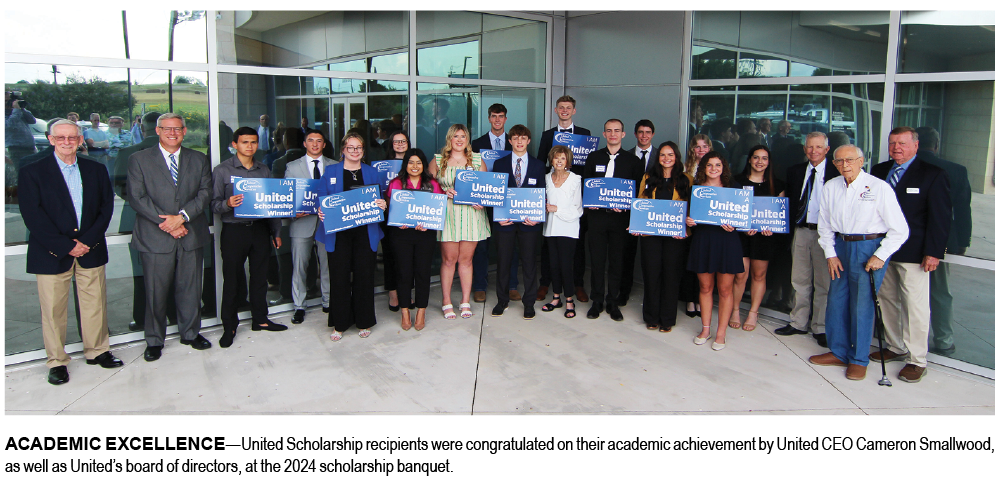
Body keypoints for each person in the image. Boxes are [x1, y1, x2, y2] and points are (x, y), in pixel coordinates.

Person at [19, 119, 121, 384]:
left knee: (95, 303)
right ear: (50, 139)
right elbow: (33, 216)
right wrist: (67, 245)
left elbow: (105, 209)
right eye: (60, 137)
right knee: (53, 310)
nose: (67, 142)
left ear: (80, 140)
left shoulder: (95, 169)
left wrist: (86, 241)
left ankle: (97, 351)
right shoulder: (33, 171)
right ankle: (56, 361)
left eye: (72, 137)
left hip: (91, 248)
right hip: (52, 252)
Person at [809, 145, 908, 380]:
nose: (845, 165)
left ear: (861, 161)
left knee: (862, 305)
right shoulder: (831, 186)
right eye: (840, 161)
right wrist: (830, 253)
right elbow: (824, 224)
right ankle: (839, 351)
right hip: (840, 247)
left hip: (868, 248)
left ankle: (859, 358)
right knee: (837, 300)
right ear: (834, 164)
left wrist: (881, 255)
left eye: (850, 160)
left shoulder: (878, 187)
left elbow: (900, 230)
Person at [126, 112, 214, 361]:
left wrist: (182, 217)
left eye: (177, 129)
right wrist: (168, 223)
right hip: (156, 236)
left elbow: (205, 193)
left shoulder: (198, 159)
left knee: (190, 288)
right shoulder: (139, 159)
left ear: (184, 131)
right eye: (167, 129)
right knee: (155, 291)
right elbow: (137, 197)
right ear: (157, 131)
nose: (172, 133)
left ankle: (191, 333)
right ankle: (154, 340)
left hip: (190, 234)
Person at [869, 127, 951, 383]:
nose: (897, 148)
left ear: (916, 145)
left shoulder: (932, 175)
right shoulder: (879, 171)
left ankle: (917, 359)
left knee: (915, 307)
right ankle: (895, 346)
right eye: (893, 143)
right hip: (882, 251)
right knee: (887, 300)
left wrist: (934, 253)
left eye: (902, 143)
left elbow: (940, 218)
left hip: (914, 253)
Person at [211, 126, 288, 349]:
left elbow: (270, 204)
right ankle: (230, 326)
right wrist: (228, 203)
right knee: (233, 280)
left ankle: (260, 320)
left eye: (253, 142)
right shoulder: (222, 171)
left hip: (260, 230)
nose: (250, 146)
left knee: (260, 278)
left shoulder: (263, 169)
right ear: (235, 145)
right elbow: (213, 204)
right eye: (245, 142)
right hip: (234, 231)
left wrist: (276, 231)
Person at [315, 132, 388, 340]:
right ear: (343, 150)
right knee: (339, 278)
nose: (355, 151)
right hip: (338, 234)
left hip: (365, 232)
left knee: (364, 277)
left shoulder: (371, 172)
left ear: (363, 151)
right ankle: (340, 323)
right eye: (351, 147)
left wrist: (382, 204)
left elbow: (378, 198)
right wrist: (321, 210)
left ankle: (364, 321)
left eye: (359, 148)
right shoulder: (331, 171)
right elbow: (322, 199)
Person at [774, 132, 838, 347]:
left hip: (825, 234)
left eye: (818, 147)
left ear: (827, 150)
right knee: (799, 280)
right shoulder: (795, 171)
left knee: (823, 283)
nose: (813, 151)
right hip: (801, 231)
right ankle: (798, 322)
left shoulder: (836, 172)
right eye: (810, 147)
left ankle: (820, 327)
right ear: (804, 149)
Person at [582, 119, 644, 321]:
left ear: (623, 134)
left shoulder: (633, 161)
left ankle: (613, 302)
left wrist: (627, 206)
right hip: (597, 218)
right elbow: (586, 185)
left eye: (617, 131)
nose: (613, 134)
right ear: (604, 134)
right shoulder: (593, 157)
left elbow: (637, 194)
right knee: (597, 262)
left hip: (620, 220)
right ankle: (597, 301)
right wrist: (589, 202)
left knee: (617, 263)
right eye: (609, 131)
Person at [917, 127, 972, 356]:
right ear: (936, 145)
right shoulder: (956, 170)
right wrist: (962, 242)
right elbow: (962, 210)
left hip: (907, 241)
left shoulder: (907, 168)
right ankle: (943, 340)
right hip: (942, 242)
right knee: (939, 291)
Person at [431, 124, 491, 320]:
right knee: (449, 260)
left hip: (471, 215)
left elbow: (486, 188)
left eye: (463, 136)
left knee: (466, 260)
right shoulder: (438, 161)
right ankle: (446, 301)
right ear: (449, 139)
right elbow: (428, 188)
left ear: (467, 139)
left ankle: (465, 301)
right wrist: (442, 192)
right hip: (448, 213)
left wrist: (482, 201)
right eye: (455, 136)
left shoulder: (477, 160)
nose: (459, 139)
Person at [536, 95, 592, 303]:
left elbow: (588, 167)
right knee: (548, 246)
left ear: (574, 111)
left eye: (569, 108)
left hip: (573, 194)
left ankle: (577, 284)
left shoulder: (585, 134)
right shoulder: (547, 135)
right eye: (561, 108)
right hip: (552, 191)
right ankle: (546, 283)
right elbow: (542, 162)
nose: (565, 111)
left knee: (575, 246)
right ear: (556, 110)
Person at [686, 151, 744, 350]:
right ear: (703, 168)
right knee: (705, 287)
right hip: (703, 240)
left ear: (723, 168)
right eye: (709, 165)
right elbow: (689, 216)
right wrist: (689, 221)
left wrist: (734, 224)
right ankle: (705, 329)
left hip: (727, 241)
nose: (713, 169)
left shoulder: (733, 189)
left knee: (725, 290)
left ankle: (721, 333)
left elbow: (742, 217)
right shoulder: (696, 189)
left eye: (717, 165)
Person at [633, 141, 691, 332]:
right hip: (651, 236)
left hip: (675, 239)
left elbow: (691, 210)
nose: (666, 158)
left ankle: (667, 319)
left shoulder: (686, 180)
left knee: (671, 277)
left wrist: (686, 230)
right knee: (651, 275)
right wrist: (637, 225)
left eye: (670, 155)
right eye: (663, 155)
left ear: (676, 157)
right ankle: (651, 317)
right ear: (658, 158)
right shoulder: (648, 177)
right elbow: (641, 202)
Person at [490, 125, 546, 320]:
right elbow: (495, 193)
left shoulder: (539, 165)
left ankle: (529, 303)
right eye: (515, 138)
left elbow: (541, 195)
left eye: (523, 138)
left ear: (528, 141)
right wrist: (498, 216)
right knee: (503, 262)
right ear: (510, 141)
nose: (519, 141)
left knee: (530, 263)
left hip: (529, 224)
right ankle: (502, 300)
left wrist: (537, 217)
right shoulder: (499, 164)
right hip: (505, 223)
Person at [388, 148, 444, 331]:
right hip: (401, 234)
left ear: (423, 165)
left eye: (418, 162)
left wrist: (429, 223)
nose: (414, 166)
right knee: (404, 273)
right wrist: (398, 221)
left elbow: (438, 210)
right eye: (411, 162)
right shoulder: (396, 183)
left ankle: (421, 310)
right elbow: (390, 209)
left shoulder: (433, 184)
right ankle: (405, 311)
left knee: (422, 273)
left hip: (424, 235)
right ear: (405, 164)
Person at [730, 145, 785, 332]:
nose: (759, 162)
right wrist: (743, 228)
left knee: (759, 275)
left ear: (769, 162)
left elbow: (779, 215)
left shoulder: (777, 185)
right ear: (749, 160)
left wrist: (772, 228)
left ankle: (753, 312)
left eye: (764, 158)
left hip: (765, 238)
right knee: (740, 275)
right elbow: (731, 210)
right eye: (756, 157)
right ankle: (735, 310)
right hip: (742, 236)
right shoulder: (736, 182)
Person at [285, 129, 333, 324]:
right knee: (300, 266)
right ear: (304, 143)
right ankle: (299, 306)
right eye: (311, 140)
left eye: (319, 141)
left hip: (327, 223)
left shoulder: (335, 166)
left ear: (324, 144)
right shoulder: (292, 166)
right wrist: (292, 210)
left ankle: (328, 301)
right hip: (301, 223)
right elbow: (287, 195)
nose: (314, 144)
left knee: (327, 265)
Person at [619, 119, 658, 306]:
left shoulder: (662, 156)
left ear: (652, 135)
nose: (644, 135)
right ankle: (624, 291)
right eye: (640, 132)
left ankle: (653, 295)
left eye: (648, 132)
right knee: (627, 253)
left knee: (652, 256)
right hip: (628, 211)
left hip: (653, 213)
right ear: (635, 134)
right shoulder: (624, 156)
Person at [542, 145, 582, 318]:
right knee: (554, 265)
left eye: (563, 158)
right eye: (556, 157)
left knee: (566, 266)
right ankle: (556, 297)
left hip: (568, 228)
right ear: (551, 160)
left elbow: (578, 209)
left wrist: (557, 209)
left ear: (568, 161)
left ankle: (569, 300)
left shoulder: (575, 179)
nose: (559, 161)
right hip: (551, 228)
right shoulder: (545, 178)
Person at [681, 134, 713, 318]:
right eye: (697, 147)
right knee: (689, 264)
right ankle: (690, 299)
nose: (701, 150)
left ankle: (702, 300)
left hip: (707, 226)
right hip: (689, 223)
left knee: (705, 266)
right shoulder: (686, 169)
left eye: (705, 146)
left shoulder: (715, 167)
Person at [379, 130, 411, 311]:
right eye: (396, 141)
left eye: (403, 141)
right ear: (391, 143)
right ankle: (393, 292)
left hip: (410, 214)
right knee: (391, 256)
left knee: (408, 257)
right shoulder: (382, 166)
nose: (400, 144)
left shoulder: (415, 162)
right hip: (388, 216)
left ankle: (407, 292)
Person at [5, 91, 37, 167]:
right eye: (6, 101)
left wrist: (22, 109)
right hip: (15, 149)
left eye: (11, 100)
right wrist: (16, 110)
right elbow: (10, 125)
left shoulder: (18, 111)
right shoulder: (14, 113)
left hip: (30, 147)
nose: (10, 102)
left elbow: (32, 120)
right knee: (20, 173)